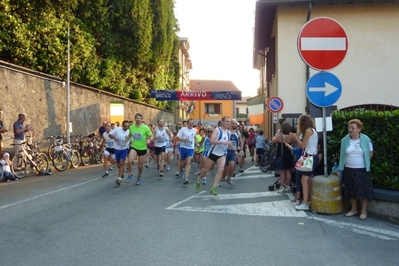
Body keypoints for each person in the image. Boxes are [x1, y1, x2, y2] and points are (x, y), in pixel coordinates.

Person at [337, 119, 373, 220]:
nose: (350, 130)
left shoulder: (366, 139)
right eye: (349, 127)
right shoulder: (344, 140)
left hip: (362, 169)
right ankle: (353, 209)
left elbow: (370, 153)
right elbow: (342, 154)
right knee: (351, 190)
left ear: (359, 129)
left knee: (363, 191)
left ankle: (363, 211)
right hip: (349, 169)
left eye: (353, 128)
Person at [196, 116, 235, 196]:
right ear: (222, 122)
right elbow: (212, 140)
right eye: (227, 121)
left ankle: (213, 188)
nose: (228, 123)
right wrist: (223, 142)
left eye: (229, 122)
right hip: (213, 153)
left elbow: (229, 143)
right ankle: (199, 179)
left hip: (222, 154)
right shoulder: (217, 130)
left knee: (220, 170)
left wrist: (235, 151)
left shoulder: (228, 132)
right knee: (206, 169)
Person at [290, 114, 319, 211]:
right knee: (308, 180)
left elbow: (302, 145)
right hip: (312, 157)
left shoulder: (308, 131)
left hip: (309, 158)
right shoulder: (313, 131)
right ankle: (309, 201)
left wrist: (296, 137)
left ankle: (305, 203)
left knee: (304, 180)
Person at [125, 113, 152, 185]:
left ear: (142, 119)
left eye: (140, 118)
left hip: (142, 148)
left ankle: (139, 176)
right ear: (135, 119)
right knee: (129, 161)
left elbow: (151, 136)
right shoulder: (131, 127)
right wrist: (124, 142)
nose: (138, 119)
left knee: (140, 165)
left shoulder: (146, 128)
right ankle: (130, 174)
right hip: (134, 146)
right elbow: (130, 135)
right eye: (137, 118)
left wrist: (149, 140)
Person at [272, 122, 294, 193]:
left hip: (281, 156)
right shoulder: (291, 137)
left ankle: (282, 187)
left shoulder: (280, 137)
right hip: (289, 156)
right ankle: (288, 186)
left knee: (282, 173)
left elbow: (273, 140)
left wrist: (277, 133)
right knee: (288, 172)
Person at [220, 119, 243, 187]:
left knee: (232, 165)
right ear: (230, 124)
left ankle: (229, 179)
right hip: (226, 151)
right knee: (225, 167)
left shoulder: (238, 133)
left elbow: (241, 142)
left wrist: (241, 149)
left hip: (233, 151)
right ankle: (222, 179)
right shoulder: (227, 132)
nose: (235, 125)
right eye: (233, 123)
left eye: (236, 124)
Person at [108, 120, 131, 186]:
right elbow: (110, 135)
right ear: (122, 125)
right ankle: (122, 173)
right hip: (117, 149)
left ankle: (119, 178)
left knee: (121, 163)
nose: (126, 127)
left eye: (128, 126)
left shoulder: (129, 132)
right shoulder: (117, 130)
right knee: (119, 165)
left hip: (124, 149)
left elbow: (131, 141)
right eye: (125, 126)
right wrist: (114, 137)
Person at [176, 118, 197, 185]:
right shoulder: (183, 129)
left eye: (192, 123)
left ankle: (186, 178)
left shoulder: (195, 130)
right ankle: (181, 169)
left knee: (188, 162)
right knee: (182, 163)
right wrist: (183, 140)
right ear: (187, 123)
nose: (191, 125)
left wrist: (197, 143)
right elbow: (177, 138)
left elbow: (194, 137)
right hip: (183, 147)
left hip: (190, 148)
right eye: (190, 123)